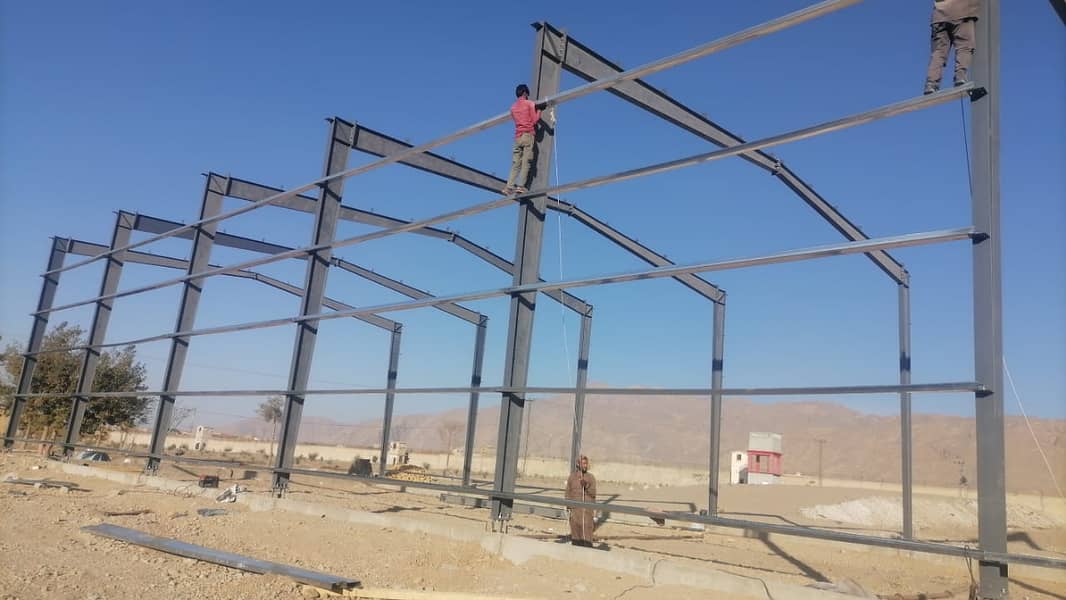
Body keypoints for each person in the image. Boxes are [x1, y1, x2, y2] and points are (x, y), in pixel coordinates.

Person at [503, 83, 553, 195]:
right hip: (527, 135)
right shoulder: (529, 104)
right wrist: (539, 110)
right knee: (526, 161)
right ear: (525, 93)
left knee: (516, 163)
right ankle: (521, 186)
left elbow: (518, 121)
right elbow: (534, 120)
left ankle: (509, 187)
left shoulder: (513, 108)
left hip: (517, 137)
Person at [924, 0, 980, 94]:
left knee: (939, 52)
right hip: (962, 12)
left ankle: (931, 84)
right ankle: (960, 77)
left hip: (939, 16)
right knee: (964, 46)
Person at [564, 455, 597, 547]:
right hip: (575, 512)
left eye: (586, 463)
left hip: (587, 512)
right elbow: (568, 492)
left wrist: (585, 485)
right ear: (578, 464)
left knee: (587, 534)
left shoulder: (591, 478)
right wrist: (568, 507)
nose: (585, 465)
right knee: (575, 534)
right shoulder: (572, 477)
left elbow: (593, 494)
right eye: (583, 463)